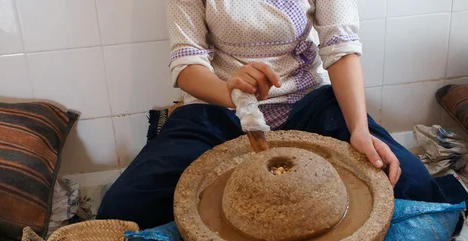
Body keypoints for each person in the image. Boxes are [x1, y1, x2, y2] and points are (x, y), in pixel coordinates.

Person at [98, 0, 451, 229]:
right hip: (218, 108)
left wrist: (358, 129)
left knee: (412, 185)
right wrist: (230, 91)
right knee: (123, 210)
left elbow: (341, 49)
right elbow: (187, 63)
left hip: (306, 103)